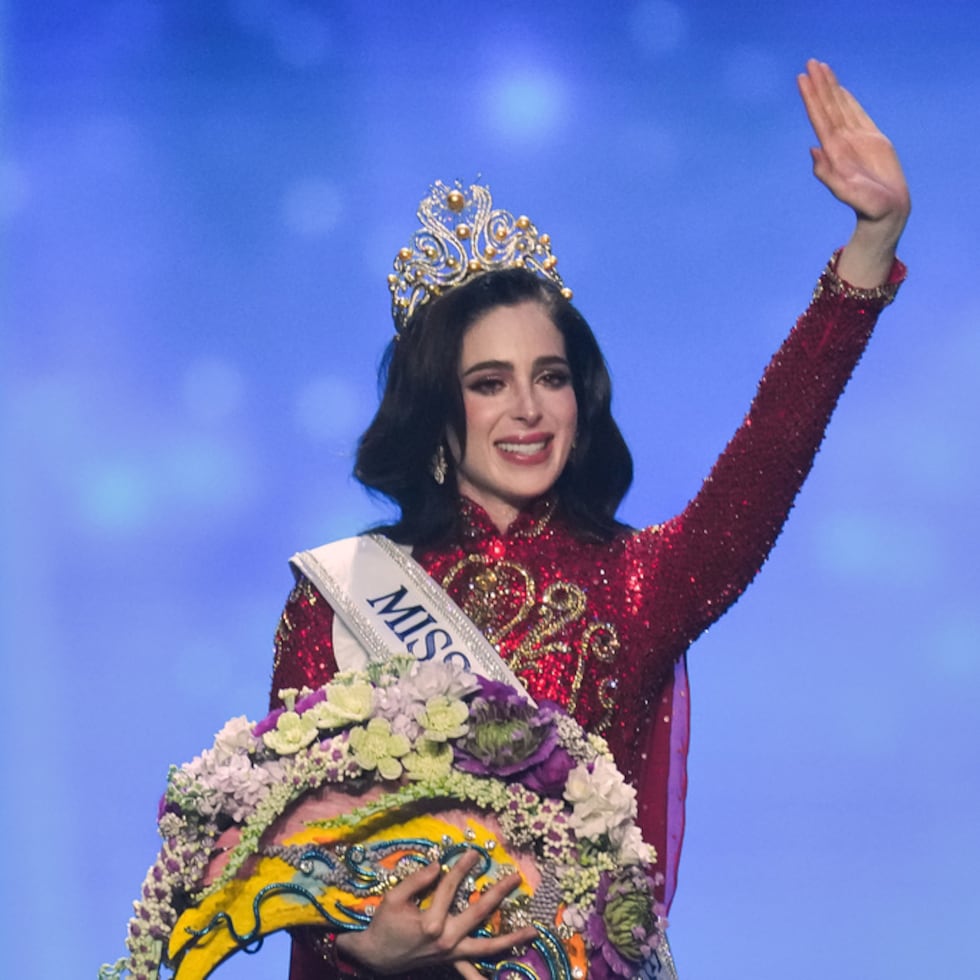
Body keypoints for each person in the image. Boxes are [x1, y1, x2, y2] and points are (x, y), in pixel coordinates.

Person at [268, 60, 910, 978]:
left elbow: (770, 454)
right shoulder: (339, 595)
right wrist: (362, 941)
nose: (528, 409)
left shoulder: (641, 581)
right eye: (489, 383)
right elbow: (292, 838)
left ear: (581, 398)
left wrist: (872, 245)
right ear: (437, 413)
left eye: (551, 377)